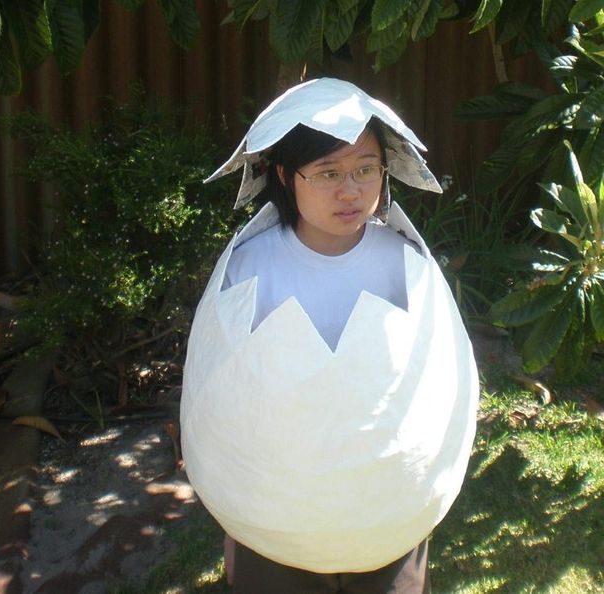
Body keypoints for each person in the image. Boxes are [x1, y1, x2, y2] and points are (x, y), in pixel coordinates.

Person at [180, 78, 479, 594]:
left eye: (366, 169)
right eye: (328, 172)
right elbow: (218, 390)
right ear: (283, 175)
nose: (351, 190)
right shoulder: (247, 271)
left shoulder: (406, 267)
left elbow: (442, 378)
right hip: (272, 526)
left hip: (389, 525)